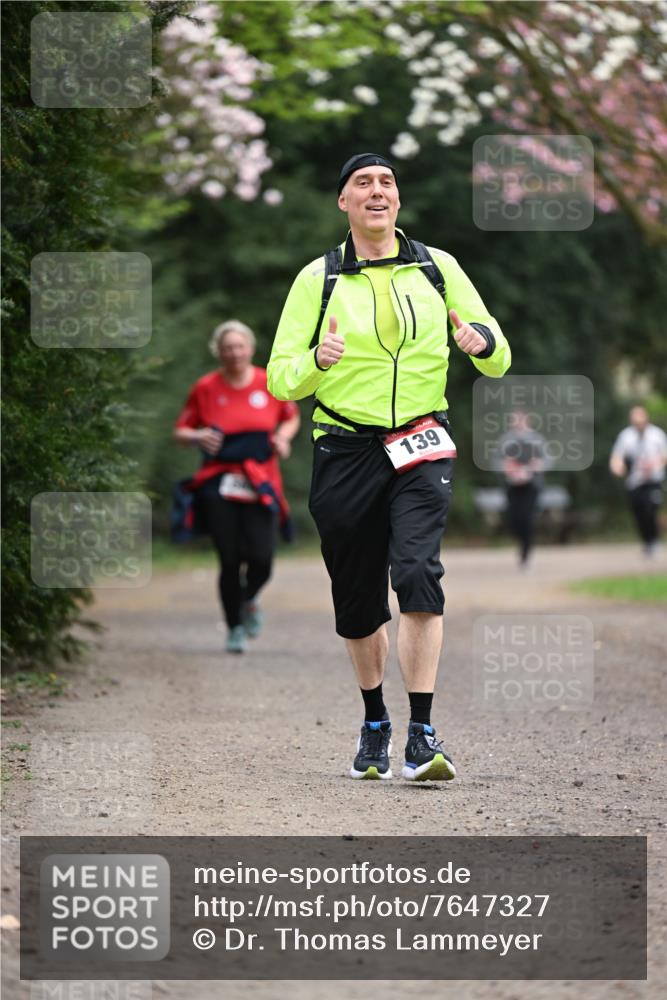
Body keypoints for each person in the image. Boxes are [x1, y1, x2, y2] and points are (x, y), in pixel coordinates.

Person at [267, 153, 511, 781]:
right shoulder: (318, 278)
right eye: (362, 184)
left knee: (419, 573)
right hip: (345, 447)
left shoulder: (437, 267)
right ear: (343, 202)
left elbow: (497, 353)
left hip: (421, 441)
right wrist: (317, 360)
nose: (377, 192)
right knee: (358, 597)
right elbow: (280, 378)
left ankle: (421, 735)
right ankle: (375, 720)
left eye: (387, 183)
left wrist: (482, 342)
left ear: (397, 199)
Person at [174, 319, 300, 653]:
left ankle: (248, 600)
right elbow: (181, 431)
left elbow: (291, 416)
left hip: (260, 479)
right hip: (218, 481)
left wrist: (283, 438)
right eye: (227, 347)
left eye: (239, 346)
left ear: (251, 348)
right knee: (229, 559)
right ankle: (234, 628)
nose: (234, 353)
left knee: (262, 558)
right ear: (218, 352)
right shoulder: (205, 387)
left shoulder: (268, 381)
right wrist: (198, 436)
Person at [609, 405, 667, 556]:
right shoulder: (626, 436)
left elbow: (664, 456)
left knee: (650, 509)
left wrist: (654, 465)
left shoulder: (657, 435)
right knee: (639, 512)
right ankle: (647, 541)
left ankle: (653, 541)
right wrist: (617, 467)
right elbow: (617, 457)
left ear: (646, 419)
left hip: (654, 480)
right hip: (635, 481)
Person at [498, 410, 547, 567]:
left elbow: (547, 460)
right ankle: (522, 543)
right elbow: (496, 461)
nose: (517, 423)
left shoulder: (537, 440)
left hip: (531, 486)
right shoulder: (505, 440)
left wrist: (537, 465)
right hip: (512, 486)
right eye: (514, 420)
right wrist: (506, 467)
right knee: (513, 519)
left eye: (520, 420)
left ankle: (526, 554)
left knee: (527, 518)